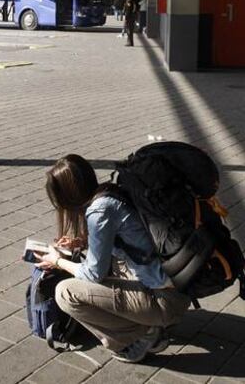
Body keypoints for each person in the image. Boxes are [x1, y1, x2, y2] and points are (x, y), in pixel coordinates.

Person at [36, 154, 191, 363]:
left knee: (65, 292)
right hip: (177, 287)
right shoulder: (110, 193)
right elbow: (126, 241)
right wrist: (80, 243)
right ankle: (146, 322)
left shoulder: (99, 210)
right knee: (102, 261)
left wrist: (57, 260)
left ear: (68, 196)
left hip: (165, 301)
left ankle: (138, 336)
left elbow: (93, 274)